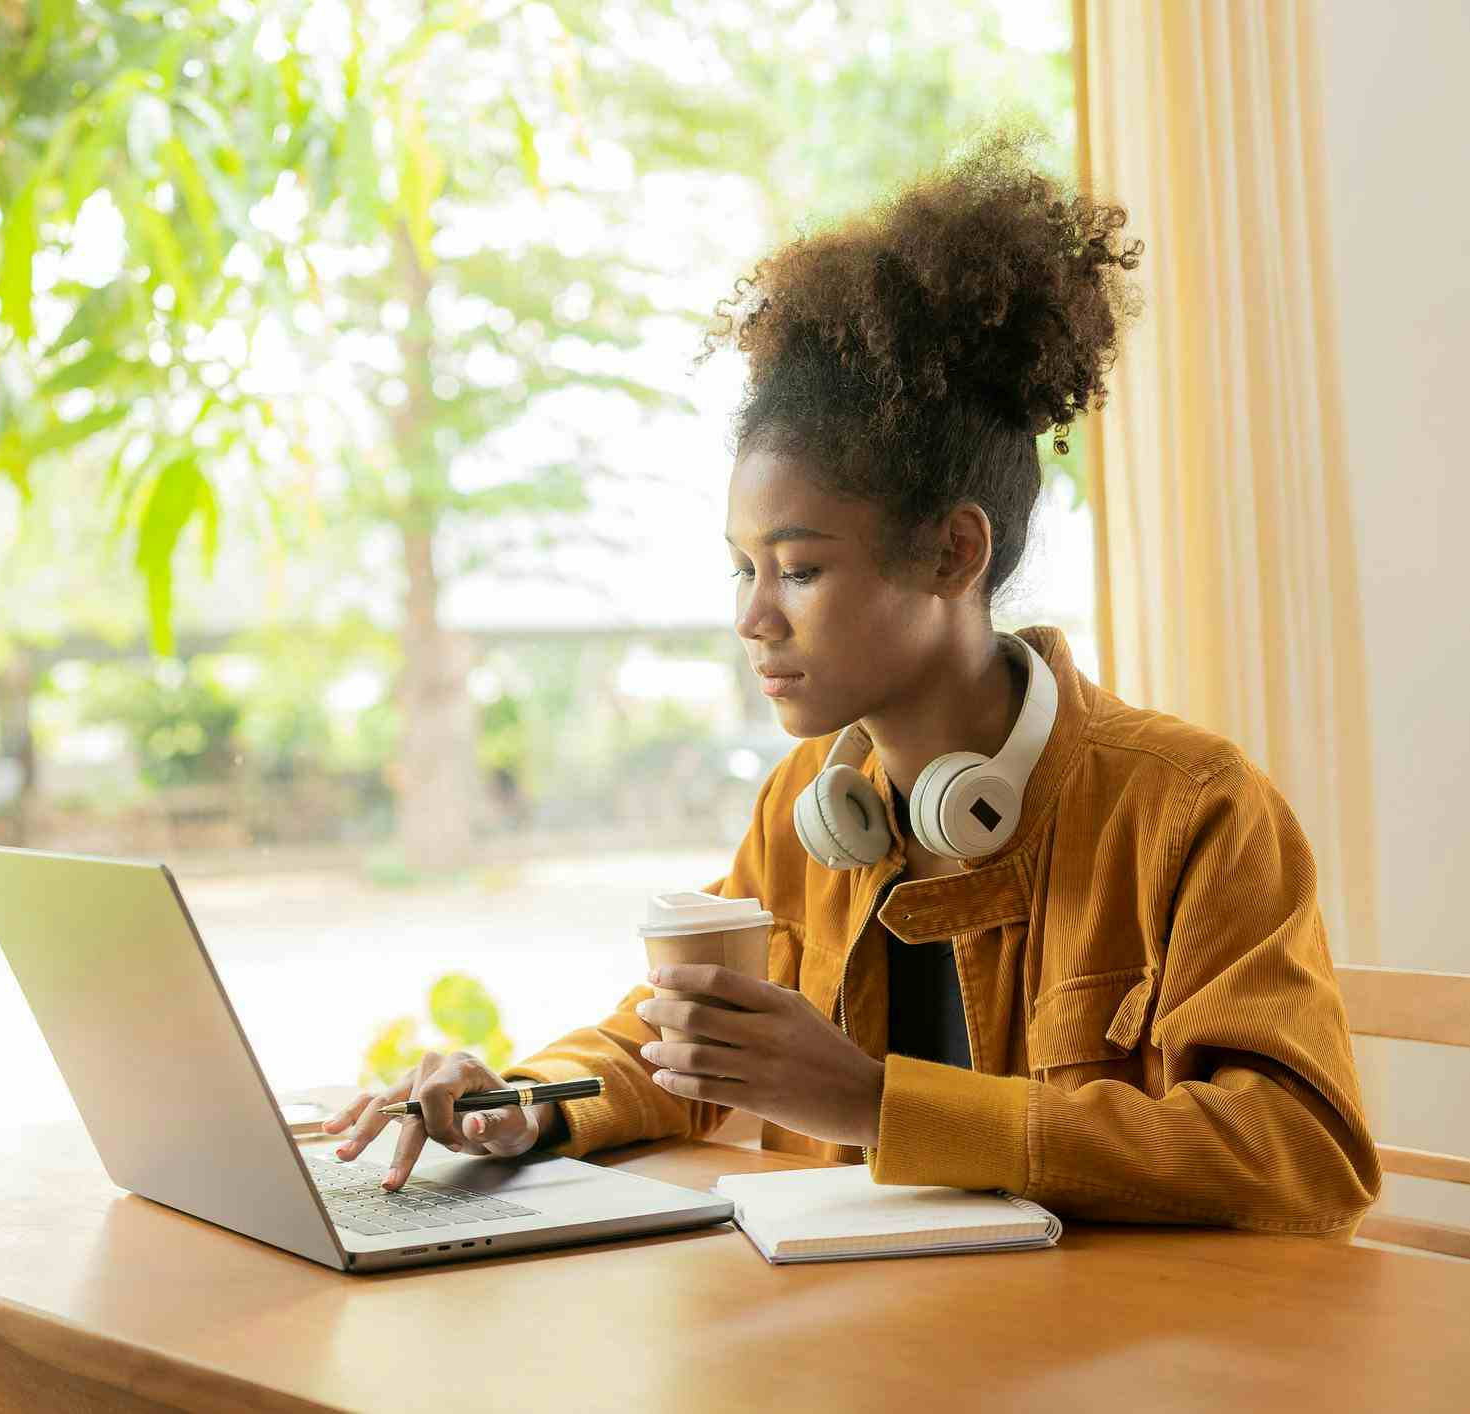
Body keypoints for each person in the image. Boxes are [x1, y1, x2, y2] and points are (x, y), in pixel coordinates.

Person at [324, 132, 1382, 1239]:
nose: (752, 616)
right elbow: (678, 1046)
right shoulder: (803, 809)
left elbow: (1301, 1155)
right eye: (743, 567)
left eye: (801, 568)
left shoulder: (1188, 807)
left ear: (952, 555)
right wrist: (523, 1102)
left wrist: (877, 1105)